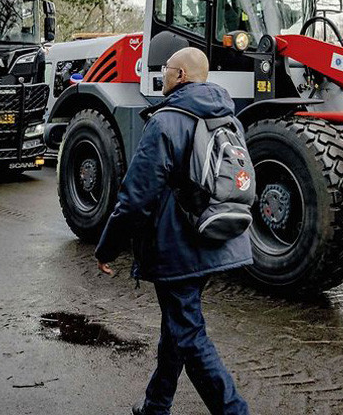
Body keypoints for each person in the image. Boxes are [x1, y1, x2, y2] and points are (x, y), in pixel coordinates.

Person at [95, 47, 252, 415]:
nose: (162, 75)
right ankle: (156, 405)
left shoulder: (166, 121)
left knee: (189, 334)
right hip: (217, 235)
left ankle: (235, 411)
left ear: (180, 76)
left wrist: (107, 248)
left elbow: (135, 198)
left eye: (166, 70)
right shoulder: (230, 117)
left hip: (178, 245)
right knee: (178, 325)